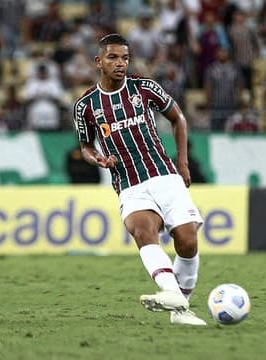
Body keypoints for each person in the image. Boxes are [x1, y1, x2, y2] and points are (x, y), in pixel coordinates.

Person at [72, 34, 206, 326]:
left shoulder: (144, 88)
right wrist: (98, 158)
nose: (120, 64)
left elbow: (178, 118)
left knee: (187, 241)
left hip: (164, 175)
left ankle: (178, 309)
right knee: (144, 233)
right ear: (99, 62)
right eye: (113, 58)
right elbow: (85, 147)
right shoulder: (86, 106)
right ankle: (174, 298)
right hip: (130, 185)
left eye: (124, 58)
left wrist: (181, 161)